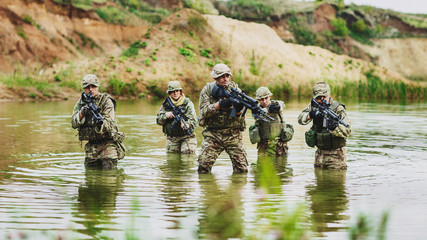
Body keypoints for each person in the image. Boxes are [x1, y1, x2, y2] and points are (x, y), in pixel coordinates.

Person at [197, 63, 248, 173]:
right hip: (213, 134)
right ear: (215, 77)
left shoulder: (235, 90)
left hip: (233, 134)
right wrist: (218, 105)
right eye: (222, 76)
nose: (225, 79)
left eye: (227, 76)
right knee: (203, 169)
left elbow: (239, 117)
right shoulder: (208, 91)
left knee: (242, 170)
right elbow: (203, 113)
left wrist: (238, 110)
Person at [71, 74, 126, 169]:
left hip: (108, 145)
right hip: (91, 146)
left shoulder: (106, 101)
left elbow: (109, 123)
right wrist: (82, 113)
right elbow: (73, 123)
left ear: (97, 87)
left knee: (109, 177)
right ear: (83, 88)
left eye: (93, 86)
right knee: (90, 177)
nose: (91, 89)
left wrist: (99, 122)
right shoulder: (81, 103)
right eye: (87, 87)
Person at [297, 82, 351, 169]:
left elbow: (347, 131)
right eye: (318, 98)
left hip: (336, 156)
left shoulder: (337, 108)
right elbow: (300, 119)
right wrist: (310, 115)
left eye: (324, 97)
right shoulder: (313, 106)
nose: (322, 100)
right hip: (319, 155)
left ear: (329, 94)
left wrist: (334, 127)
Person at [249, 87, 293, 156]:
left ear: (269, 96)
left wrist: (277, 106)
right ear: (258, 99)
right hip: (264, 147)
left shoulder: (275, 104)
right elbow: (257, 115)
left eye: (266, 98)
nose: (264, 101)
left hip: (280, 146)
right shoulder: (256, 109)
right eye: (261, 99)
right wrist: (268, 110)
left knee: (281, 166)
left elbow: (282, 105)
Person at [156, 81, 197, 154]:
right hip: (172, 138)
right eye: (173, 91)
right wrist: (166, 115)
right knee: (172, 160)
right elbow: (158, 120)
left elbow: (194, 121)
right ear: (169, 93)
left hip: (187, 137)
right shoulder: (166, 104)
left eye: (177, 91)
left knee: (187, 155)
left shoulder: (188, 103)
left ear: (180, 92)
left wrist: (187, 124)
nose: (175, 93)